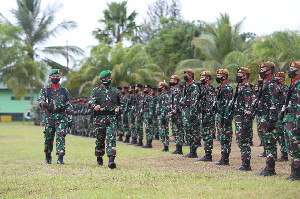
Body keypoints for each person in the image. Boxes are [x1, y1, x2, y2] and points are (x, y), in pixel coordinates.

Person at [38, 69, 73, 164]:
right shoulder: (45, 89)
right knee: (49, 137)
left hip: (61, 116)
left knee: (61, 136)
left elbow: (68, 104)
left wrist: (70, 118)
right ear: (50, 78)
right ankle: (48, 156)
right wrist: (42, 104)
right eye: (54, 76)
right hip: (49, 116)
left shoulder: (64, 90)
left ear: (60, 77)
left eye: (57, 76)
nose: (55, 78)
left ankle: (60, 157)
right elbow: (40, 99)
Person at [89, 70, 121, 169]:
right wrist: (94, 106)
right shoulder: (96, 91)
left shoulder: (115, 91)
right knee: (100, 139)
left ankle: (111, 160)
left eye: (109, 78)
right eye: (105, 78)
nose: (107, 80)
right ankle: (99, 156)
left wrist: (118, 108)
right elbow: (90, 102)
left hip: (111, 118)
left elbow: (121, 103)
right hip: (99, 118)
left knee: (111, 138)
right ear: (100, 80)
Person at [255, 61, 279, 176]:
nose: (261, 71)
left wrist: (271, 120)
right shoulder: (265, 83)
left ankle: (270, 169)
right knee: (267, 143)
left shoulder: (271, 84)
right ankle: (268, 168)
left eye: (263, 69)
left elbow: (275, 103)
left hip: (269, 118)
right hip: (263, 116)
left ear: (269, 71)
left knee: (270, 143)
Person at [233, 67, 253, 171]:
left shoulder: (247, 89)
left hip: (244, 119)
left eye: (240, 73)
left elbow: (248, 106)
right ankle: (244, 163)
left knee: (244, 141)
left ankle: (246, 165)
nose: (238, 75)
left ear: (245, 76)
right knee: (240, 140)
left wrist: (246, 121)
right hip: (239, 118)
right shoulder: (240, 87)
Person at [283, 61, 300, 181]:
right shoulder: (292, 84)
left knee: (296, 146)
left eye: (292, 68)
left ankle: (297, 173)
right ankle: (294, 171)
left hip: (296, 119)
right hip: (290, 118)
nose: (290, 70)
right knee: (291, 145)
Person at [213, 69, 233, 165]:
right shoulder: (222, 87)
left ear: (224, 76)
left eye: (219, 74)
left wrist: (226, 117)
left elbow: (227, 104)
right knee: (222, 137)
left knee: (225, 138)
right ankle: (223, 158)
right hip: (220, 115)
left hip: (224, 117)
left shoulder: (227, 88)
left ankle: (225, 159)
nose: (218, 76)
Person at [197, 71, 215, 162]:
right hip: (203, 114)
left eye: (202, 77)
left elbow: (210, 104)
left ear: (207, 78)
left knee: (207, 135)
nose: (201, 79)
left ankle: (208, 155)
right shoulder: (203, 88)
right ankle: (207, 154)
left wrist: (207, 117)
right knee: (205, 134)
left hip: (207, 115)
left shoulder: (209, 88)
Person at [181, 69, 200, 158]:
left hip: (191, 112)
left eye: (187, 74)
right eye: (184, 74)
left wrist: (192, 113)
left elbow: (194, 101)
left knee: (192, 131)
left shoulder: (193, 86)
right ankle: (191, 150)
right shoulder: (187, 85)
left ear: (191, 76)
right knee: (187, 130)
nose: (185, 76)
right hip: (186, 111)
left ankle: (193, 152)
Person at [274, 72, 289, 162]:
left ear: (282, 79)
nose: (276, 79)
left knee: (282, 135)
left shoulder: (284, 88)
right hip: (277, 113)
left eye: (278, 78)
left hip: (282, 114)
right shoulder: (277, 88)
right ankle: (283, 153)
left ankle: (284, 155)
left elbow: (286, 101)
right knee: (279, 134)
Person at [169, 75, 184, 154]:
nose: (171, 80)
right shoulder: (173, 90)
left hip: (177, 114)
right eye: (170, 79)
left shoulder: (177, 90)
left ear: (176, 81)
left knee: (178, 131)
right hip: (173, 113)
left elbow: (176, 103)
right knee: (175, 131)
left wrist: (173, 113)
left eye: (172, 79)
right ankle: (177, 148)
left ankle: (179, 149)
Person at [157, 82, 170, 152]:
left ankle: (166, 146)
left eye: (159, 86)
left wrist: (163, 116)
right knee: (161, 131)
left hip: (164, 116)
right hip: (160, 115)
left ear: (163, 87)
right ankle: (164, 145)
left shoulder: (165, 96)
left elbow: (166, 107)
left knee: (165, 131)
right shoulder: (161, 95)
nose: (158, 87)